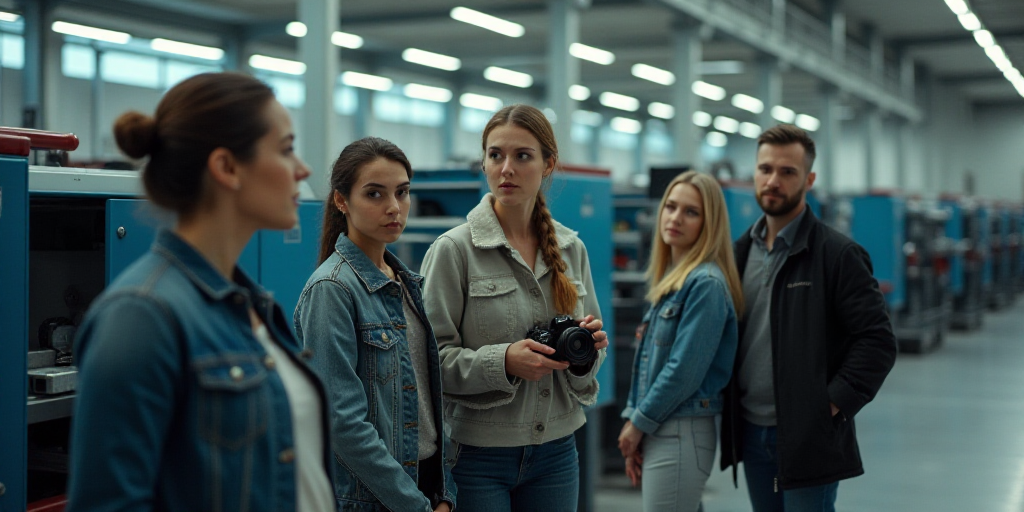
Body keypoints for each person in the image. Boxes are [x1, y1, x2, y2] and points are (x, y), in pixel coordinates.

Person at [67, 72, 334, 512]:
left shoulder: (254, 308)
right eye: (286, 149)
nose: (303, 170)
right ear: (227, 167)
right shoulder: (140, 316)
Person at [420, 104, 608, 512]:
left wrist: (584, 355)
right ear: (484, 163)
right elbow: (430, 363)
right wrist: (503, 361)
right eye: (495, 155)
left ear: (547, 164)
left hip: (558, 453)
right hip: (477, 457)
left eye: (522, 156)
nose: (506, 168)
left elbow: (591, 352)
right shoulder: (454, 251)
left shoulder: (571, 248)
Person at [720, 124, 898, 512]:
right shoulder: (738, 254)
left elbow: (878, 342)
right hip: (750, 430)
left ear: (809, 179)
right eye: (765, 169)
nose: (773, 181)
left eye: (787, 172)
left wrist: (829, 405)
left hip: (808, 435)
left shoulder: (837, 255)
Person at [293, 137, 455, 512]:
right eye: (375, 194)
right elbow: (344, 424)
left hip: (427, 485)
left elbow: (429, 403)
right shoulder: (332, 289)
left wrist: (444, 494)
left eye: (402, 192)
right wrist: (414, 505)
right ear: (341, 201)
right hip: (376, 498)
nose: (394, 208)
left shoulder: (407, 283)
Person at [617, 171, 744, 511]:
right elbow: (649, 366)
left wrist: (638, 424)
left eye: (691, 212)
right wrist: (638, 424)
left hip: (680, 432)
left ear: (709, 223)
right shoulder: (673, 281)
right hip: (664, 428)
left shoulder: (705, 284)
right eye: (671, 207)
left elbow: (682, 370)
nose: (675, 218)